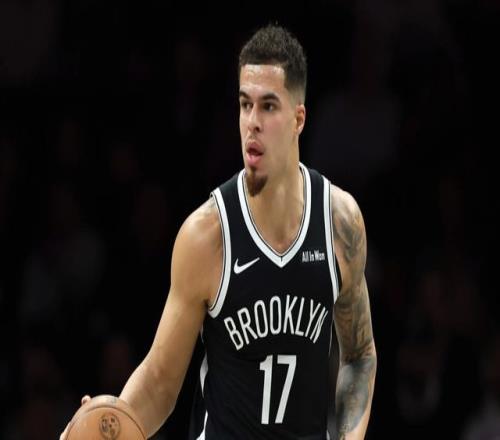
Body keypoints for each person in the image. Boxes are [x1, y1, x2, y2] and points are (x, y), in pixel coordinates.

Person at [61, 24, 377, 439]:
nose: (252, 123)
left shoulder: (339, 221)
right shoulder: (207, 235)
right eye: (245, 105)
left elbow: (359, 355)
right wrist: (110, 426)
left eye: (268, 106)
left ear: (298, 119)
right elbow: (159, 382)